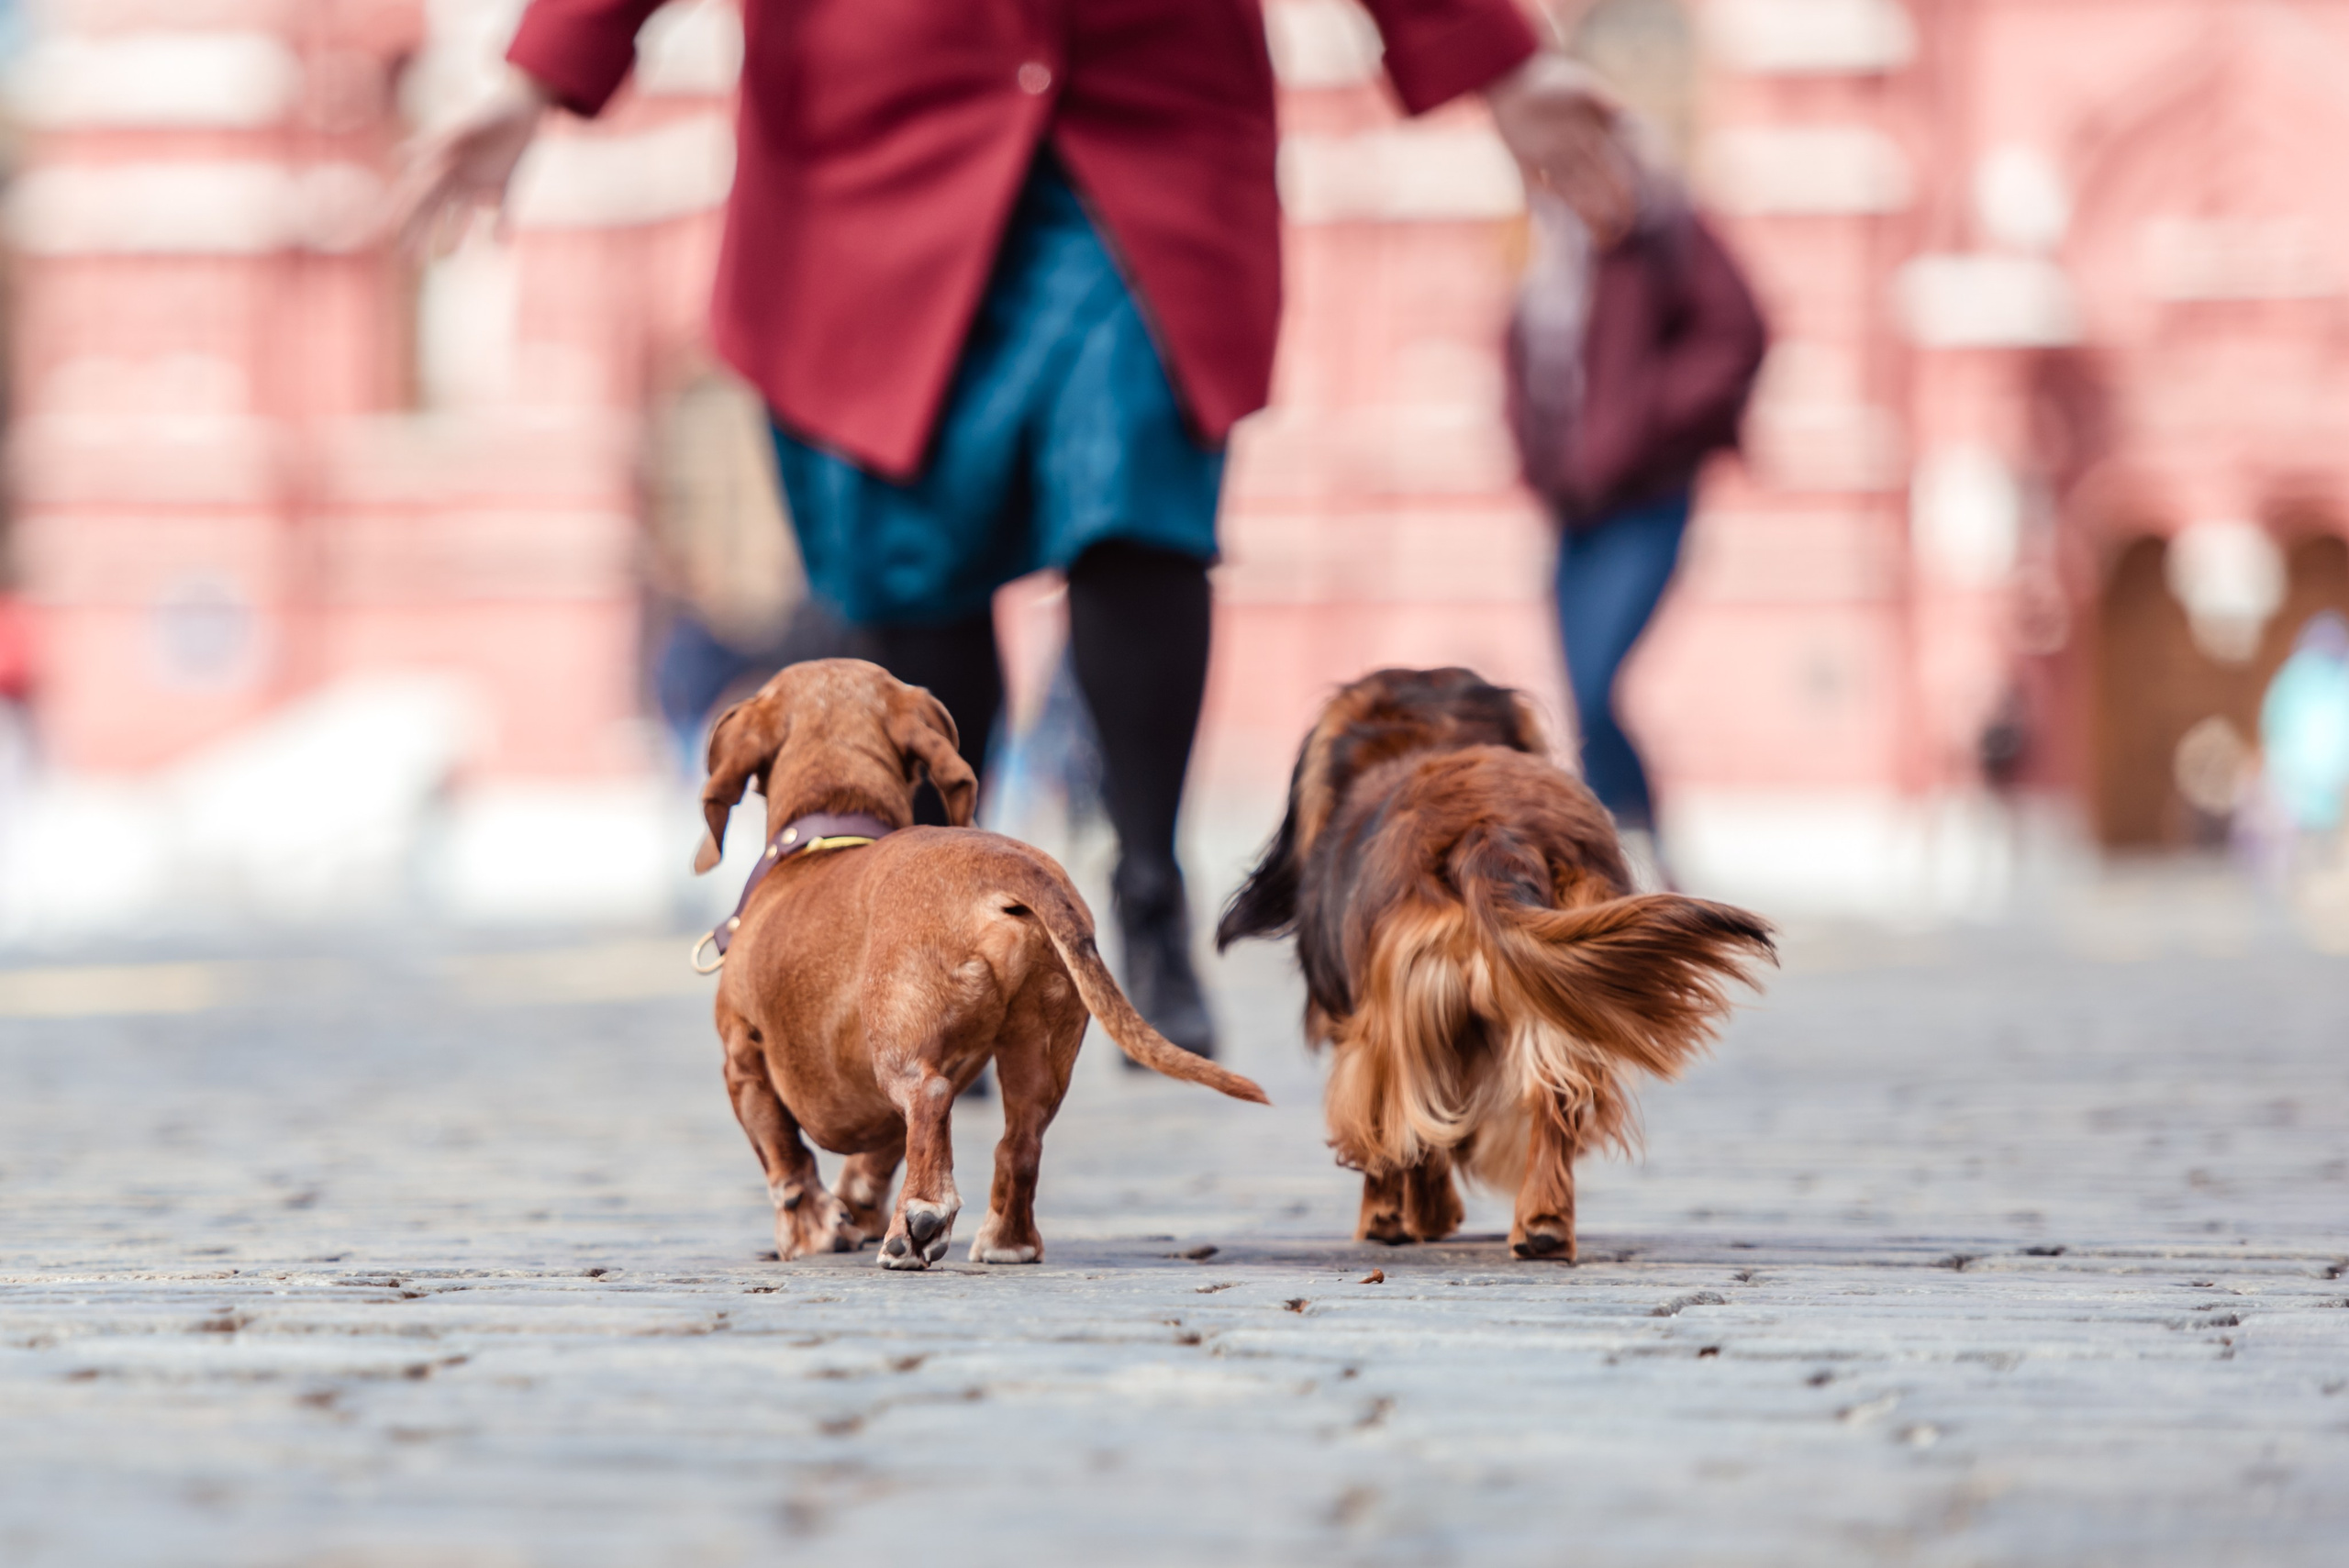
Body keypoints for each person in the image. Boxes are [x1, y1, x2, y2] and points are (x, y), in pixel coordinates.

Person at [399, 2, 1619, 1057]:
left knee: (1137, 477)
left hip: (1139, 133)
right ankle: (953, 923)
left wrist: (1502, 62)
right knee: (914, 560)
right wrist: (531, 81)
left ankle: (1147, 881)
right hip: (870, 154)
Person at [1504, 116, 1766, 884]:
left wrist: (1645, 418)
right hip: (1573, 509)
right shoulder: (1547, 253)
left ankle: (1626, 848)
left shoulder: (1668, 236)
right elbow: (1522, 363)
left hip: (1649, 498)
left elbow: (1738, 334)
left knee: (1596, 679)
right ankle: (1629, 857)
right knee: (1580, 699)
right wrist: (1533, 452)